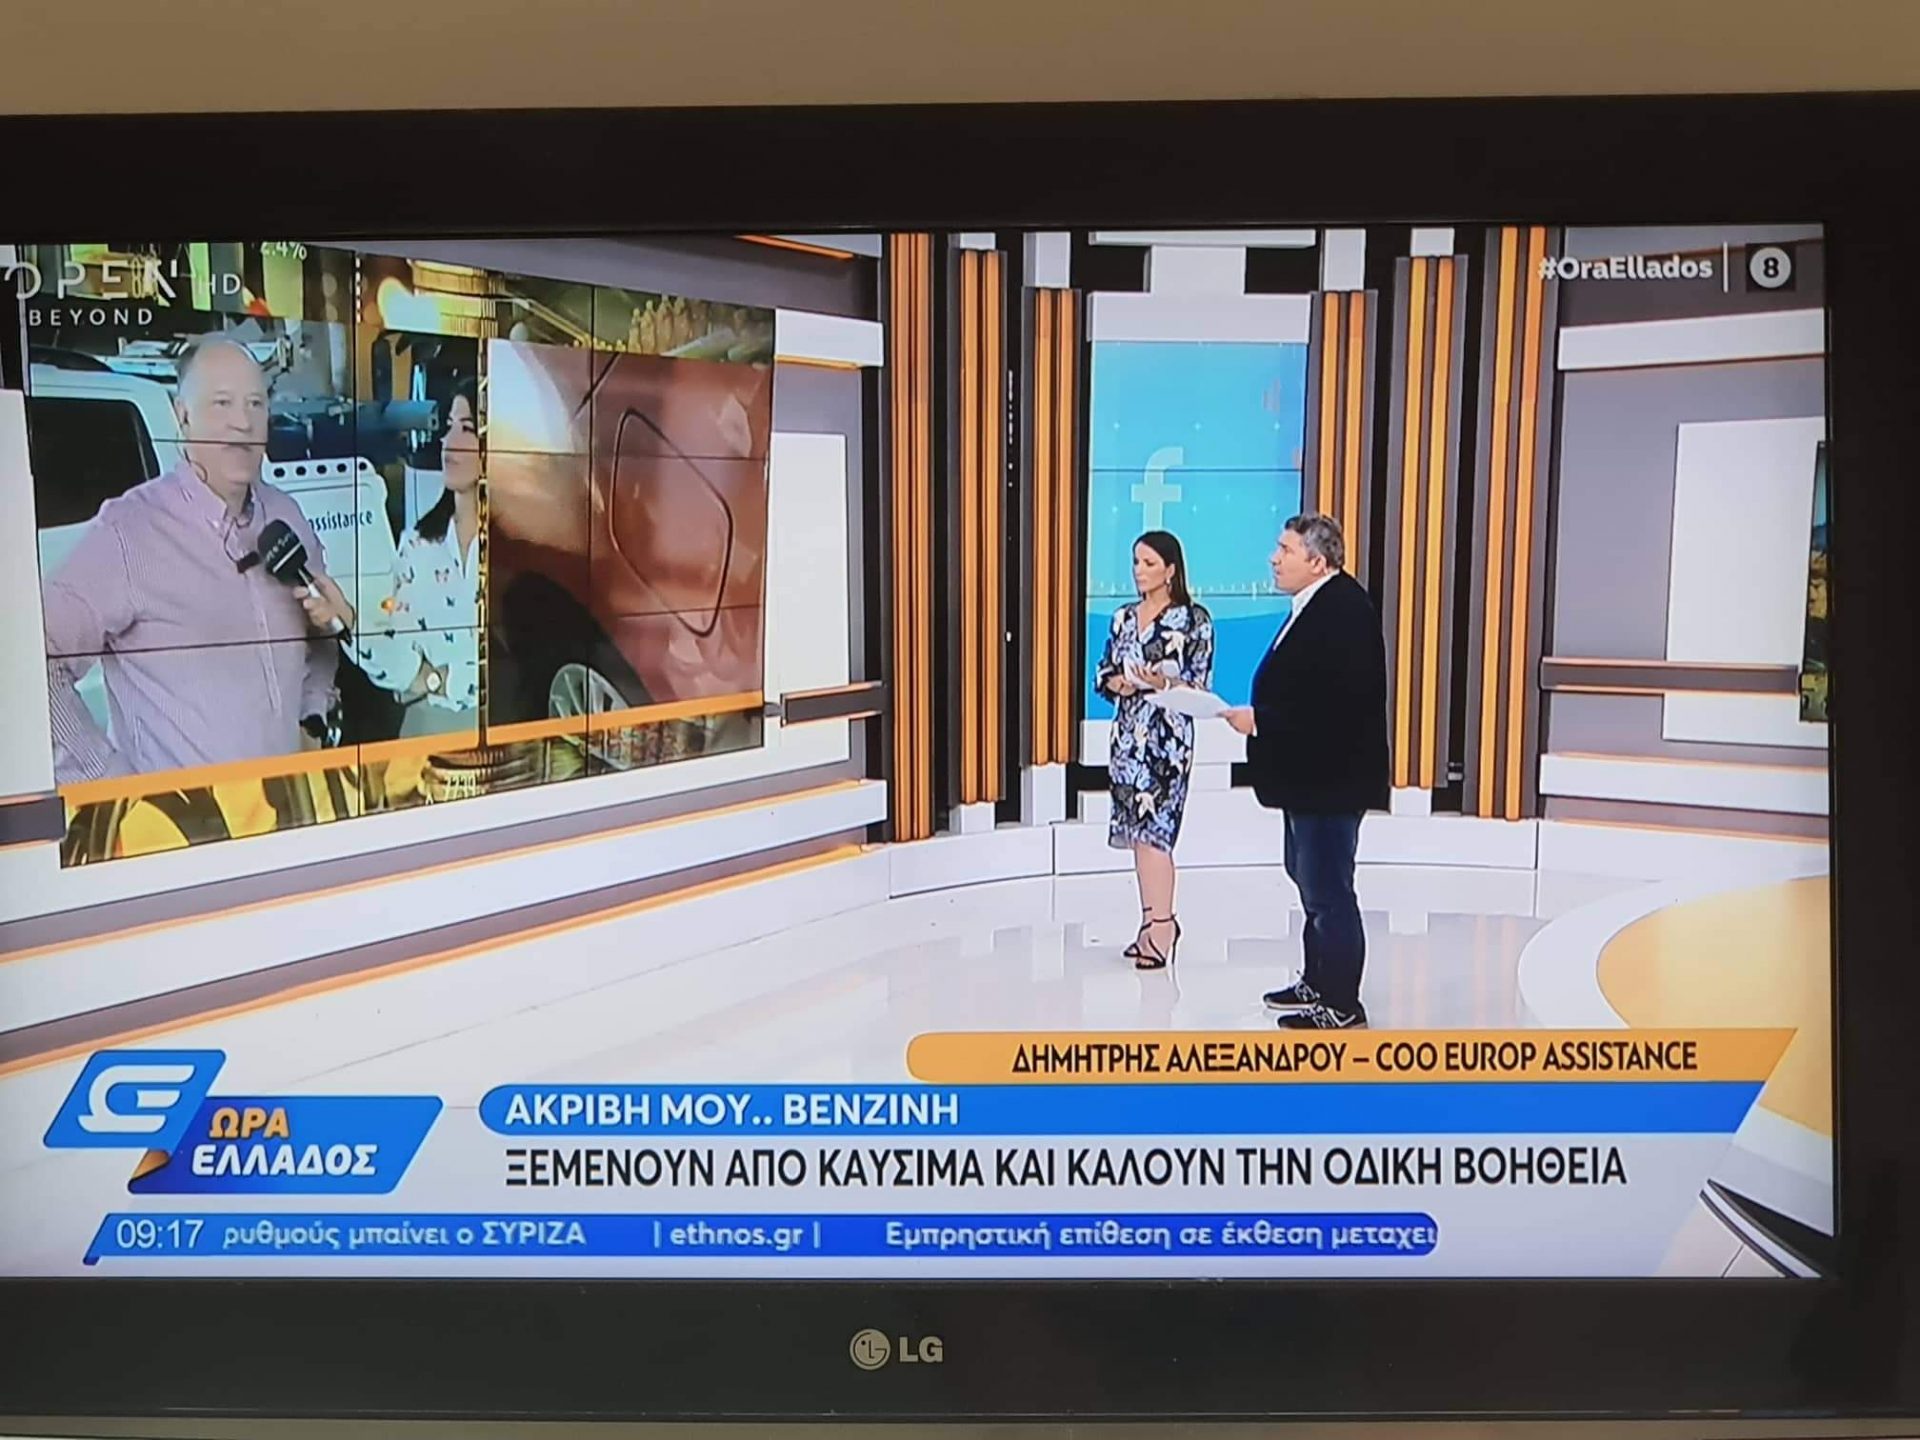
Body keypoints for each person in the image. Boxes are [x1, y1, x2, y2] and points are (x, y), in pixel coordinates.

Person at [43, 333, 355, 783]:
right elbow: (38, 666)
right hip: (183, 820)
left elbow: (321, 636)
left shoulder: (286, 516)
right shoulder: (128, 532)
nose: (243, 423)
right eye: (222, 403)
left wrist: (313, 714)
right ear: (182, 414)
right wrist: (114, 787)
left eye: (255, 404)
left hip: (286, 806)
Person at [1224, 514, 1389, 1029]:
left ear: (1317, 561)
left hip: (1330, 780)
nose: (1274, 559)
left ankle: (1342, 1004)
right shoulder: (1316, 604)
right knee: (1310, 882)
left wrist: (1261, 721)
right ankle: (1318, 981)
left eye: (1285, 550)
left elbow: (1336, 705)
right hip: (1307, 778)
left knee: (1329, 892)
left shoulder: (1344, 611)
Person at [1093, 530, 1214, 971]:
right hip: (1128, 740)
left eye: (1148, 563)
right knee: (1138, 836)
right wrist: (1118, 682)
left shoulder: (1194, 620)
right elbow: (1103, 671)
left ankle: (1163, 927)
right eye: (1135, 562)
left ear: (1171, 569)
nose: (1139, 571)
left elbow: (1201, 683)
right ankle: (1149, 923)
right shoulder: (1123, 618)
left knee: (1156, 834)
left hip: (1167, 742)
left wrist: (1161, 682)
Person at [351, 378, 482, 736]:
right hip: (427, 727)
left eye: (467, 428)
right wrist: (346, 618)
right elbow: (398, 660)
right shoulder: (418, 544)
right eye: (449, 426)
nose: (449, 441)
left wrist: (440, 679)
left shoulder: (525, 548)